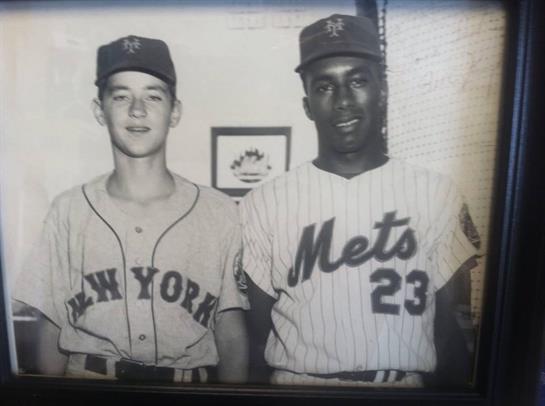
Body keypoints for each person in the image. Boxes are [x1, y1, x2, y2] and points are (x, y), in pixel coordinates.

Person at [240, 14, 480, 387]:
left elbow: (453, 330)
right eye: (324, 87)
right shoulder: (263, 202)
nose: (343, 101)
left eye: (357, 80)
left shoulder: (436, 192)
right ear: (307, 105)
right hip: (297, 387)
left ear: (381, 89)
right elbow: (255, 339)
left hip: (401, 387)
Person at [13, 35, 249, 383]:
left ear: (175, 111)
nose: (137, 110)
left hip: (188, 391)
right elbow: (51, 335)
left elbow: (231, 335)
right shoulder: (68, 210)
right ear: (99, 110)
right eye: (121, 96)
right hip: (89, 389)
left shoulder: (219, 211)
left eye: (153, 96)